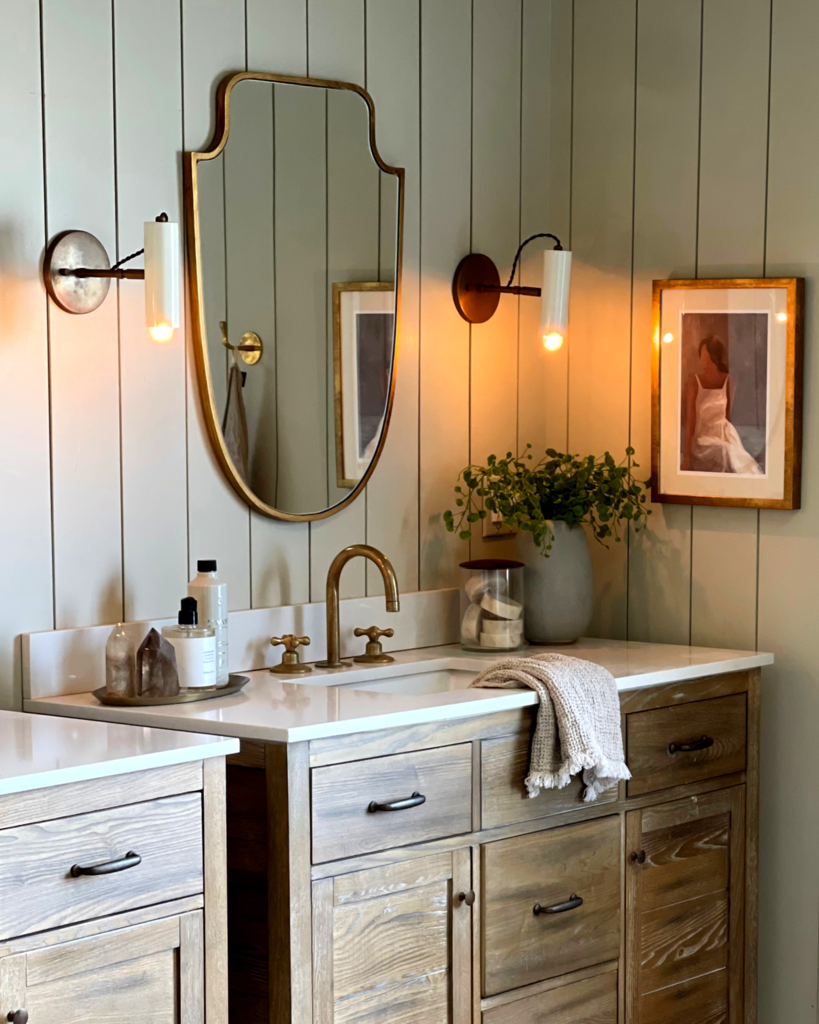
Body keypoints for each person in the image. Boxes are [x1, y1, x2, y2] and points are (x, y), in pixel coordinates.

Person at [681, 334, 762, 474]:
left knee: (735, 455)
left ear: (716, 358)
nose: (703, 363)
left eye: (708, 359)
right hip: (703, 438)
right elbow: (690, 422)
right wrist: (687, 457)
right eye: (702, 358)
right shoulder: (694, 382)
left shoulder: (730, 381)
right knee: (724, 450)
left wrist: (731, 440)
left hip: (725, 433)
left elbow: (728, 415)